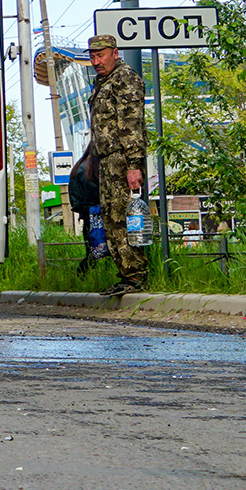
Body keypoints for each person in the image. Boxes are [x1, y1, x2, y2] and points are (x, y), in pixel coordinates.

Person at [87, 35, 149, 296]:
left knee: (125, 217)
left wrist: (134, 165)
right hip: (107, 160)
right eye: (92, 56)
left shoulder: (124, 78)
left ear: (114, 52)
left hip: (122, 160)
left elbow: (131, 123)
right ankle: (126, 275)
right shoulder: (104, 82)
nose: (96, 61)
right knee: (112, 218)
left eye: (101, 55)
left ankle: (136, 276)